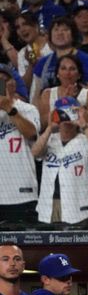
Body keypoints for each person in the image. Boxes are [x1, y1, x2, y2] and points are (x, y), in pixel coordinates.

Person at [32, 98, 88, 224]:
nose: (66, 117)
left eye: (70, 111)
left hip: (77, 206)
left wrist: (84, 125)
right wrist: (49, 127)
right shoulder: (49, 139)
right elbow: (35, 152)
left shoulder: (85, 139)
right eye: (62, 112)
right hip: (50, 205)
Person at [30, 15, 88, 105]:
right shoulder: (43, 63)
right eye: (56, 30)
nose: (60, 33)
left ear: (73, 35)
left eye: (65, 30)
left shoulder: (86, 60)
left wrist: (75, 90)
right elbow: (36, 96)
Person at [0, 64, 39, 220]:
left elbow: (32, 134)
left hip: (22, 193)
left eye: (3, 80)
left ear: (13, 84)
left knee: (25, 243)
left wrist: (9, 108)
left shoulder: (28, 109)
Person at [37, 53, 88, 130]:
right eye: (63, 68)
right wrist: (63, 103)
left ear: (79, 75)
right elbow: (42, 124)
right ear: (57, 74)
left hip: (82, 138)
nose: (67, 73)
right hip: (54, 138)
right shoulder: (47, 93)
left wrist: (74, 102)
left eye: (72, 69)